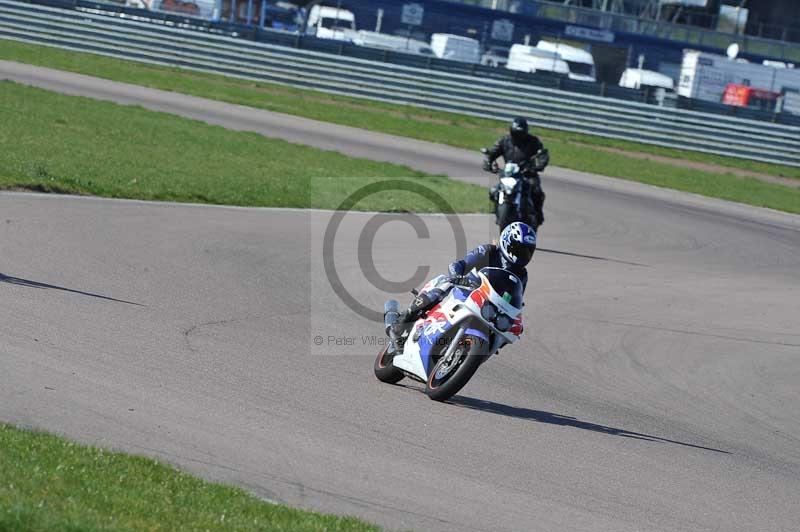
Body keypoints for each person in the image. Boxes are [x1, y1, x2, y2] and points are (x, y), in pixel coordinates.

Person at [388, 222, 537, 341]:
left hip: (489, 306)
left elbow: (515, 299)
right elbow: (459, 265)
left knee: (504, 331)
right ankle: (402, 321)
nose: (522, 254)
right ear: (506, 242)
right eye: (519, 249)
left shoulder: (522, 274)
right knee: (445, 283)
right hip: (465, 289)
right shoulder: (488, 251)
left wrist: (516, 318)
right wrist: (457, 276)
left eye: (527, 251)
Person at [483, 117, 549, 227]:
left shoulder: (533, 141)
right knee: (494, 191)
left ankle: (538, 215)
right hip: (509, 174)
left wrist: (539, 165)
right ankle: (498, 211)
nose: (518, 137)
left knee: (537, 192)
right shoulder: (504, 141)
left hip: (527, 174)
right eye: (515, 133)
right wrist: (488, 161)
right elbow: (492, 152)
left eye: (520, 134)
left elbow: (542, 154)